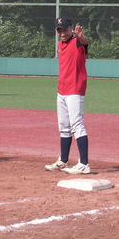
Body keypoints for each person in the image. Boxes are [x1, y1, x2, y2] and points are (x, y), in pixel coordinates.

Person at [45, 17, 91, 175]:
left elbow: (86, 42)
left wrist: (80, 37)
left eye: (65, 29)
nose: (62, 33)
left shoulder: (77, 41)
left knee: (77, 125)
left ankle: (84, 164)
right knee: (64, 127)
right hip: (62, 90)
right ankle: (63, 160)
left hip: (75, 89)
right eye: (59, 30)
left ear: (71, 28)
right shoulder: (60, 44)